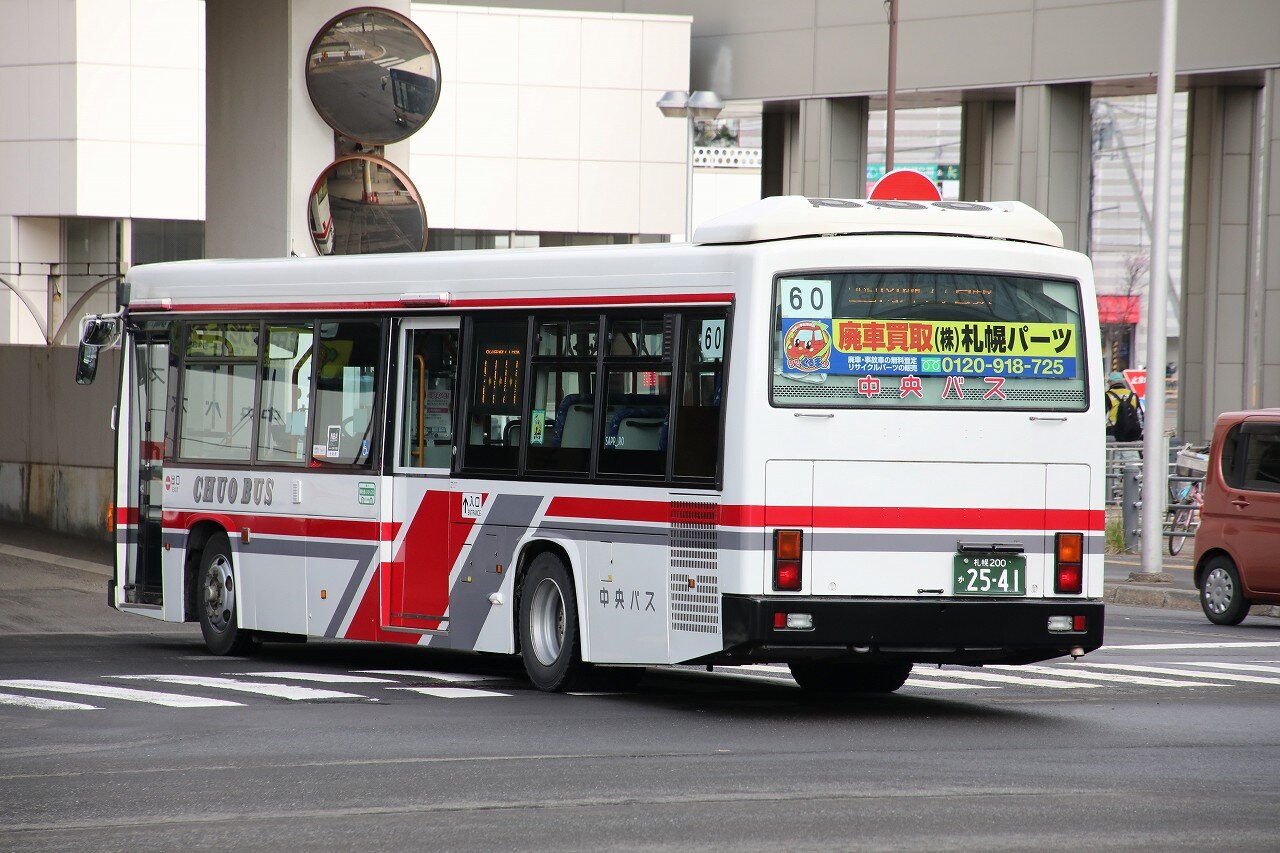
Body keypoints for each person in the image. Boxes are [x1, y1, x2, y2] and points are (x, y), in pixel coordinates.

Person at [1105, 371, 1143, 442]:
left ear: (1111, 382)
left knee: (1110, 451)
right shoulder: (1133, 395)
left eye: (1108, 382)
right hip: (1132, 431)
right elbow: (1140, 415)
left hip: (1112, 431)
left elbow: (1102, 415)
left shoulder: (1107, 395)